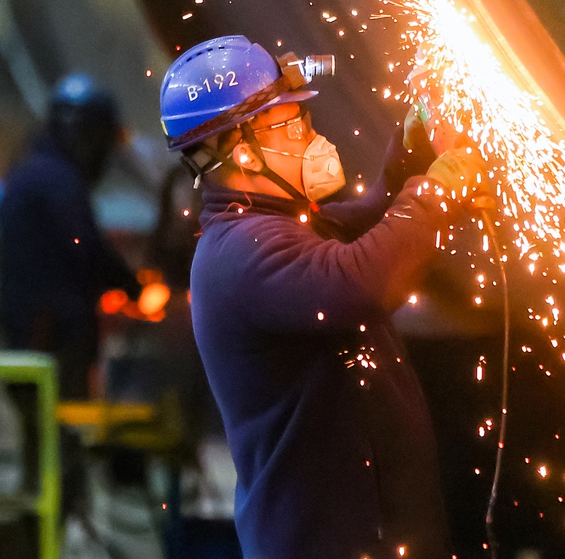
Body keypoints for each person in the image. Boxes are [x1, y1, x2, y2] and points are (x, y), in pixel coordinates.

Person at [159, 35, 487, 559]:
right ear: (244, 150)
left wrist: (412, 155)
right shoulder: (241, 252)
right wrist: (437, 195)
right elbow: (362, 279)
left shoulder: (276, 227)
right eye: (295, 125)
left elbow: (365, 226)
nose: (314, 136)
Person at [0, 74, 143, 399]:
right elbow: (86, 248)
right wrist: (133, 286)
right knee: (61, 426)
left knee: (41, 428)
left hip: (29, 328)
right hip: (50, 333)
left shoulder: (34, 172)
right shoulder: (58, 182)